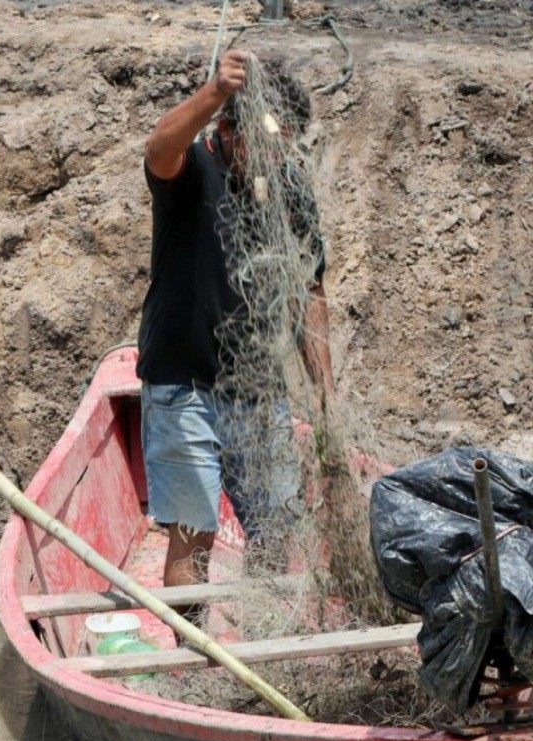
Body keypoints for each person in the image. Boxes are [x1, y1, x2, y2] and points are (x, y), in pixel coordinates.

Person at [137, 49, 334, 625]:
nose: (275, 157)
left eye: (286, 144)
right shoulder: (194, 170)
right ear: (225, 131)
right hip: (183, 384)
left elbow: (309, 292)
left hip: (257, 389)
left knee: (275, 529)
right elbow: (157, 150)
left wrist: (323, 392)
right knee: (193, 535)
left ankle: (264, 645)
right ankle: (191, 659)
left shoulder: (289, 192)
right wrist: (213, 93)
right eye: (265, 142)